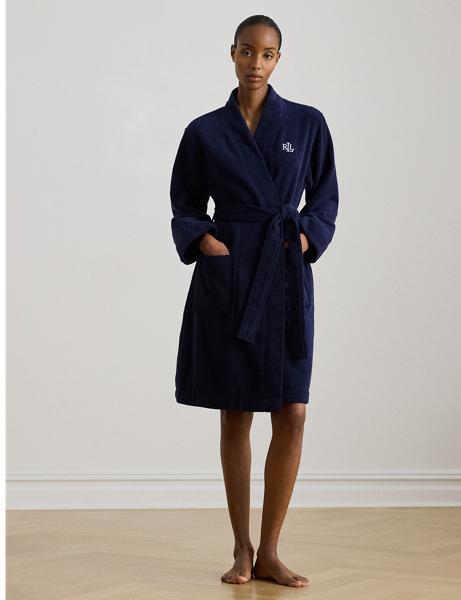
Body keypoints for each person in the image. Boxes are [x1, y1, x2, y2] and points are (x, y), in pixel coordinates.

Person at [170, 15, 339, 587]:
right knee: (236, 410)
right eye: (247, 52)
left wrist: (306, 236)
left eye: (267, 54)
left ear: (278, 59)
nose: (256, 64)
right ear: (233, 53)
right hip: (232, 273)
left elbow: (325, 197)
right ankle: (241, 549)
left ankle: (270, 549)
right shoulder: (204, 131)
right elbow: (185, 202)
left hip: (283, 272)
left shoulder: (307, 123)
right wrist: (206, 241)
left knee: (293, 411)